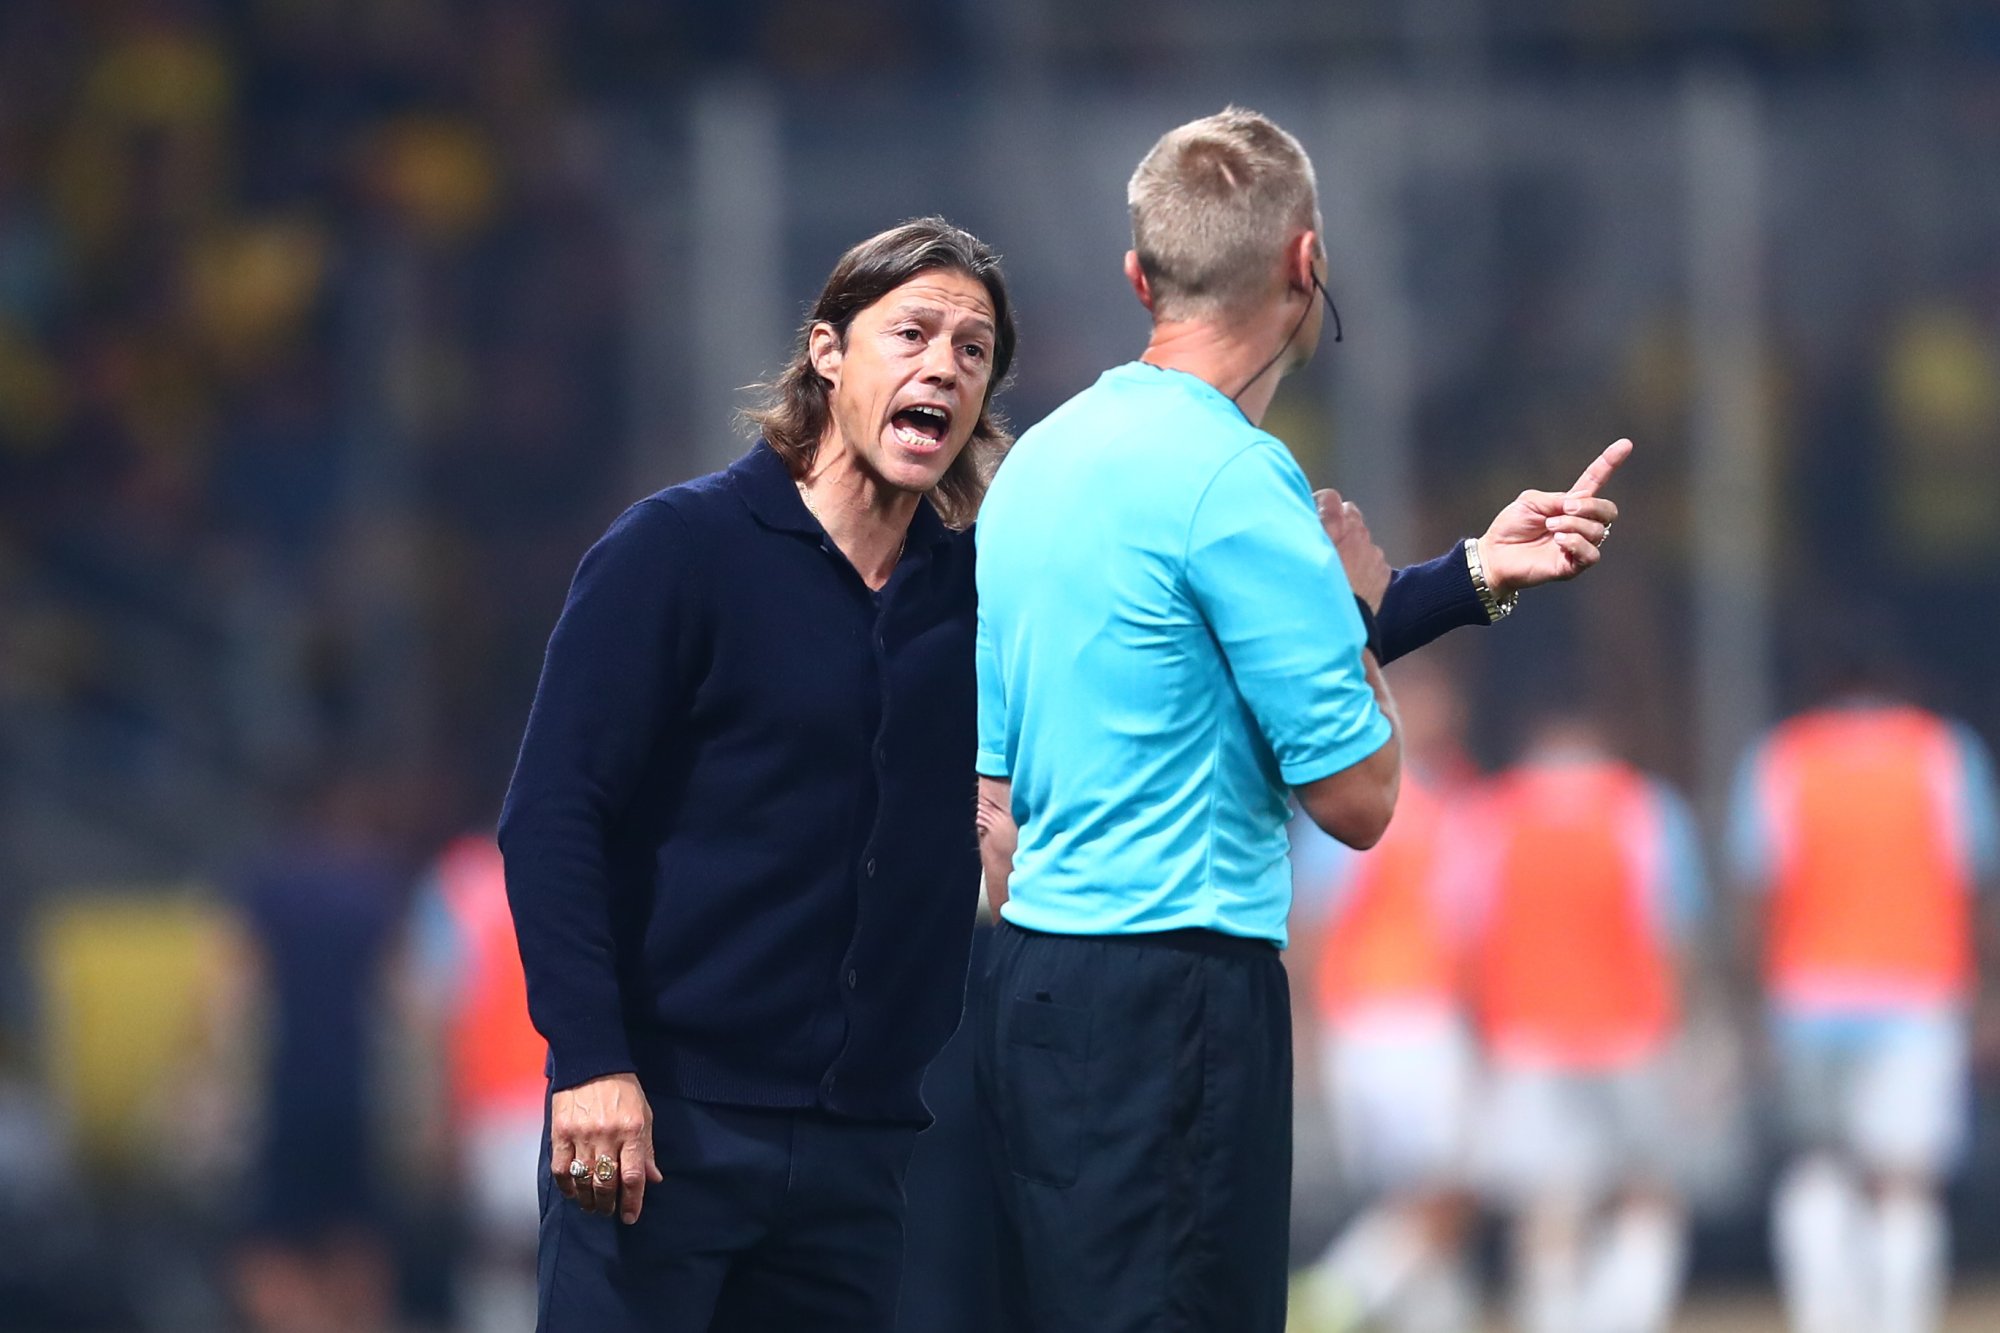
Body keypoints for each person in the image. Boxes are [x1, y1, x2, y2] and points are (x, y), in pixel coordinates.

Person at [970, 106, 1627, 1333]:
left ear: (1138, 277)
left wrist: (1469, 575)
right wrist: (1361, 615)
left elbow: (1005, 791)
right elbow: (1360, 799)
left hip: (1031, 991)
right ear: (1306, 262)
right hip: (1182, 993)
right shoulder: (1238, 475)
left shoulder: (1034, 466)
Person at [498, 217, 1016, 1331]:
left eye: (972, 349)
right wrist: (589, 1059)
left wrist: (1415, 600)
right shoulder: (677, 549)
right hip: (657, 1129)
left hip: (858, 1155)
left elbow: (1208, 657)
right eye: (913, 332)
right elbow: (552, 815)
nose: (944, 365)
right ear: (827, 351)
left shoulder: (976, 596)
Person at [1730, 655, 1999, 1333]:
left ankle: (1826, 1317)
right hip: (1919, 992)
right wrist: (1989, 993)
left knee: (1817, 1166)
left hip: (1808, 997)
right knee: (1906, 1177)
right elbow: (1975, 886)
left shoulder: (1783, 758)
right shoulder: (1943, 753)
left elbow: (1755, 892)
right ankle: (1899, 1320)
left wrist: (1749, 1000)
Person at [1463, 708, 1703, 1333]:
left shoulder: (1494, 812)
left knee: (1548, 1202)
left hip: (1526, 1030)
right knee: (1648, 1192)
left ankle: (1555, 1319)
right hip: (1630, 1028)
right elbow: (1672, 927)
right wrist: (1682, 1022)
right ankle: (1626, 1317)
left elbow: (1467, 931)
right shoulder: (1645, 807)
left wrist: (1478, 1029)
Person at [1290, 657, 1484, 1333]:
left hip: (1418, 1016)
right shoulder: (1367, 801)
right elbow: (1313, 921)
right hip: (1394, 1020)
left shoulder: (1448, 797)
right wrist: (1308, 1018)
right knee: (1446, 1194)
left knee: (1418, 1196)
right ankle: (1331, 1298)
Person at [404, 833, 548, 1333]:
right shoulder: (591, 859)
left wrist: (435, 1125)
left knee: (498, 1276)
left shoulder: (456, 884)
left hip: (495, 1128)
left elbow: (430, 1013)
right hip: (587, 1111)